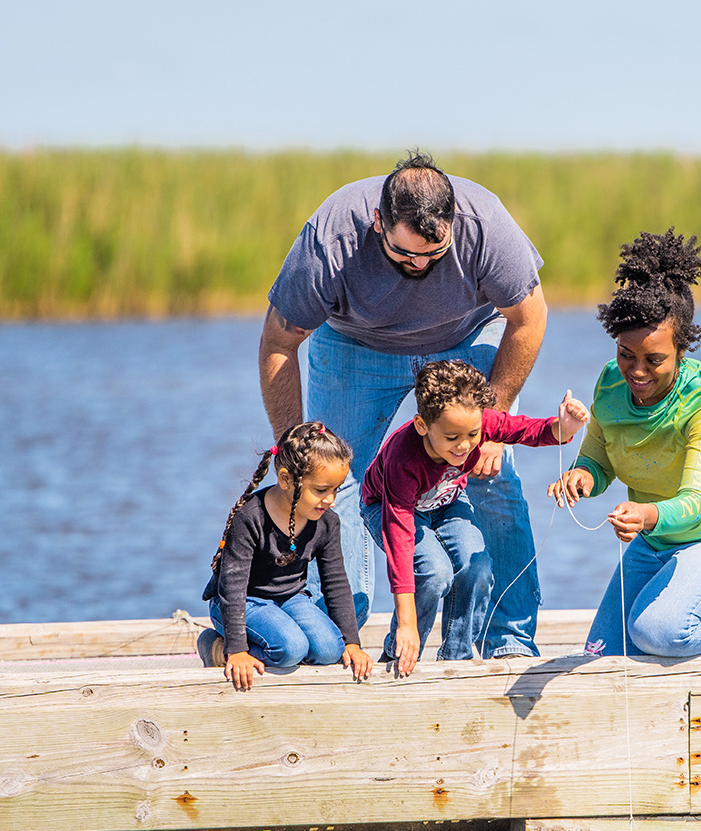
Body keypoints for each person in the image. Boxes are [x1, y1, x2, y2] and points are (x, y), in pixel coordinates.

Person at [257, 151, 550, 660]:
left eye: (434, 255)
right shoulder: (332, 238)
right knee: (333, 480)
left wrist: (492, 426)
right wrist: (293, 448)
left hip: (465, 336)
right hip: (355, 345)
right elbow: (279, 342)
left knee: (494, 476)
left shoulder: (486, 226)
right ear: (378, 223)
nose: (420, 266)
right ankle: (338, 635)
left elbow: (530, 317)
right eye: (405, 254)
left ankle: (509, 641)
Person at [549, 230, 701, 658]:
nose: (637, 371)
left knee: (659, 632)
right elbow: (599, 456)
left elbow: (699, 501)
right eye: (626, 354)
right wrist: (581, 476)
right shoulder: (610, 384)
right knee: (600, 655)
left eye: (654, 359)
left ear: (681, 349)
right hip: (663, 541)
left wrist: (645, 515)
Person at [363, 360, 588, 676]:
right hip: (389, 507)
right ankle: (400, 654)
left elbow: (528, 430)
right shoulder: (405, 458)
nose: (465, 445)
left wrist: (565, 427)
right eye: (452, 437)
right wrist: (407, 624)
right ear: (422, 425)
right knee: (434, 571)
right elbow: (399, 538)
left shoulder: (481, 423)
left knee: (477, 566)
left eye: (472, 434)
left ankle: (456, 660)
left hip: (446, 502)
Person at [199, 422, 375, 690]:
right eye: (320, 490)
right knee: (291, 648)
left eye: (335, 490)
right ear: (285, 480)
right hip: (243, 602)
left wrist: (352, 643)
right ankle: (218, 648)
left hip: (291, 599)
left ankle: (270, 645)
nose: (330, 501)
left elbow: (336, 582)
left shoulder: (327, 522)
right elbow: (232, 589)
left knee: (330, 649)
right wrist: (237, 650)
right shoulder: (250, 519)